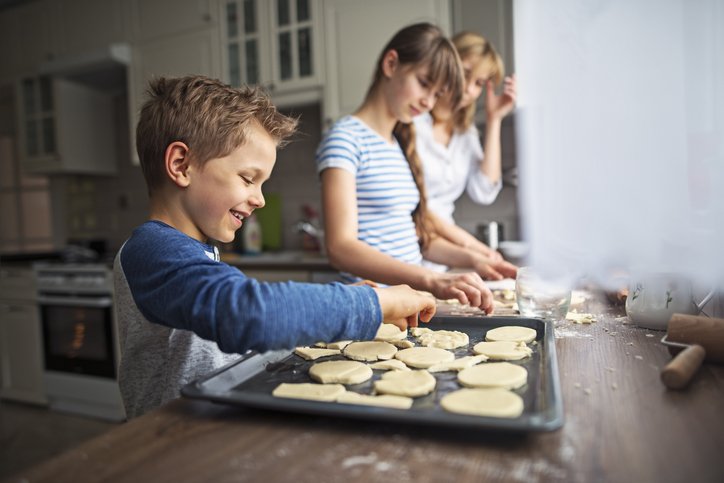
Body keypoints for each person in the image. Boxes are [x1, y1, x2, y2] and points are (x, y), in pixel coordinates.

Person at [114, 75, 436, 418]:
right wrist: (372, 302)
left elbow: (239, 338)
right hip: (171, 445)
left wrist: (338, 301)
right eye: (248, 178)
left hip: (217, 430)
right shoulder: (153, 250)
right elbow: (245, 314)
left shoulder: (194, 247)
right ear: (181, 165)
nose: (260, 200)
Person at [316, 23, 500, 311]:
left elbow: (418, 241)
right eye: (425, 83)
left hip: (407, 306)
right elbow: (341, 248)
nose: (428, 101)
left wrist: (473, 260)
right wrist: (431, 279)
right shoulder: (345, 138)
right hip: (372, 307)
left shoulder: (397, 145)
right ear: (391, 64)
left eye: (437, 94)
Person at [413, 31, 518, 272]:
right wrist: (473, 249)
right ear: (445, 63)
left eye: (479, 83)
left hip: (442, 258)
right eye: (465, 72)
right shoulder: (411, 123)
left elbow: (484, 192)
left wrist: (494, 120)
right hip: (409, 249)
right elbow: (415, 208)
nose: (468, 89)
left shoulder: (465, 132)